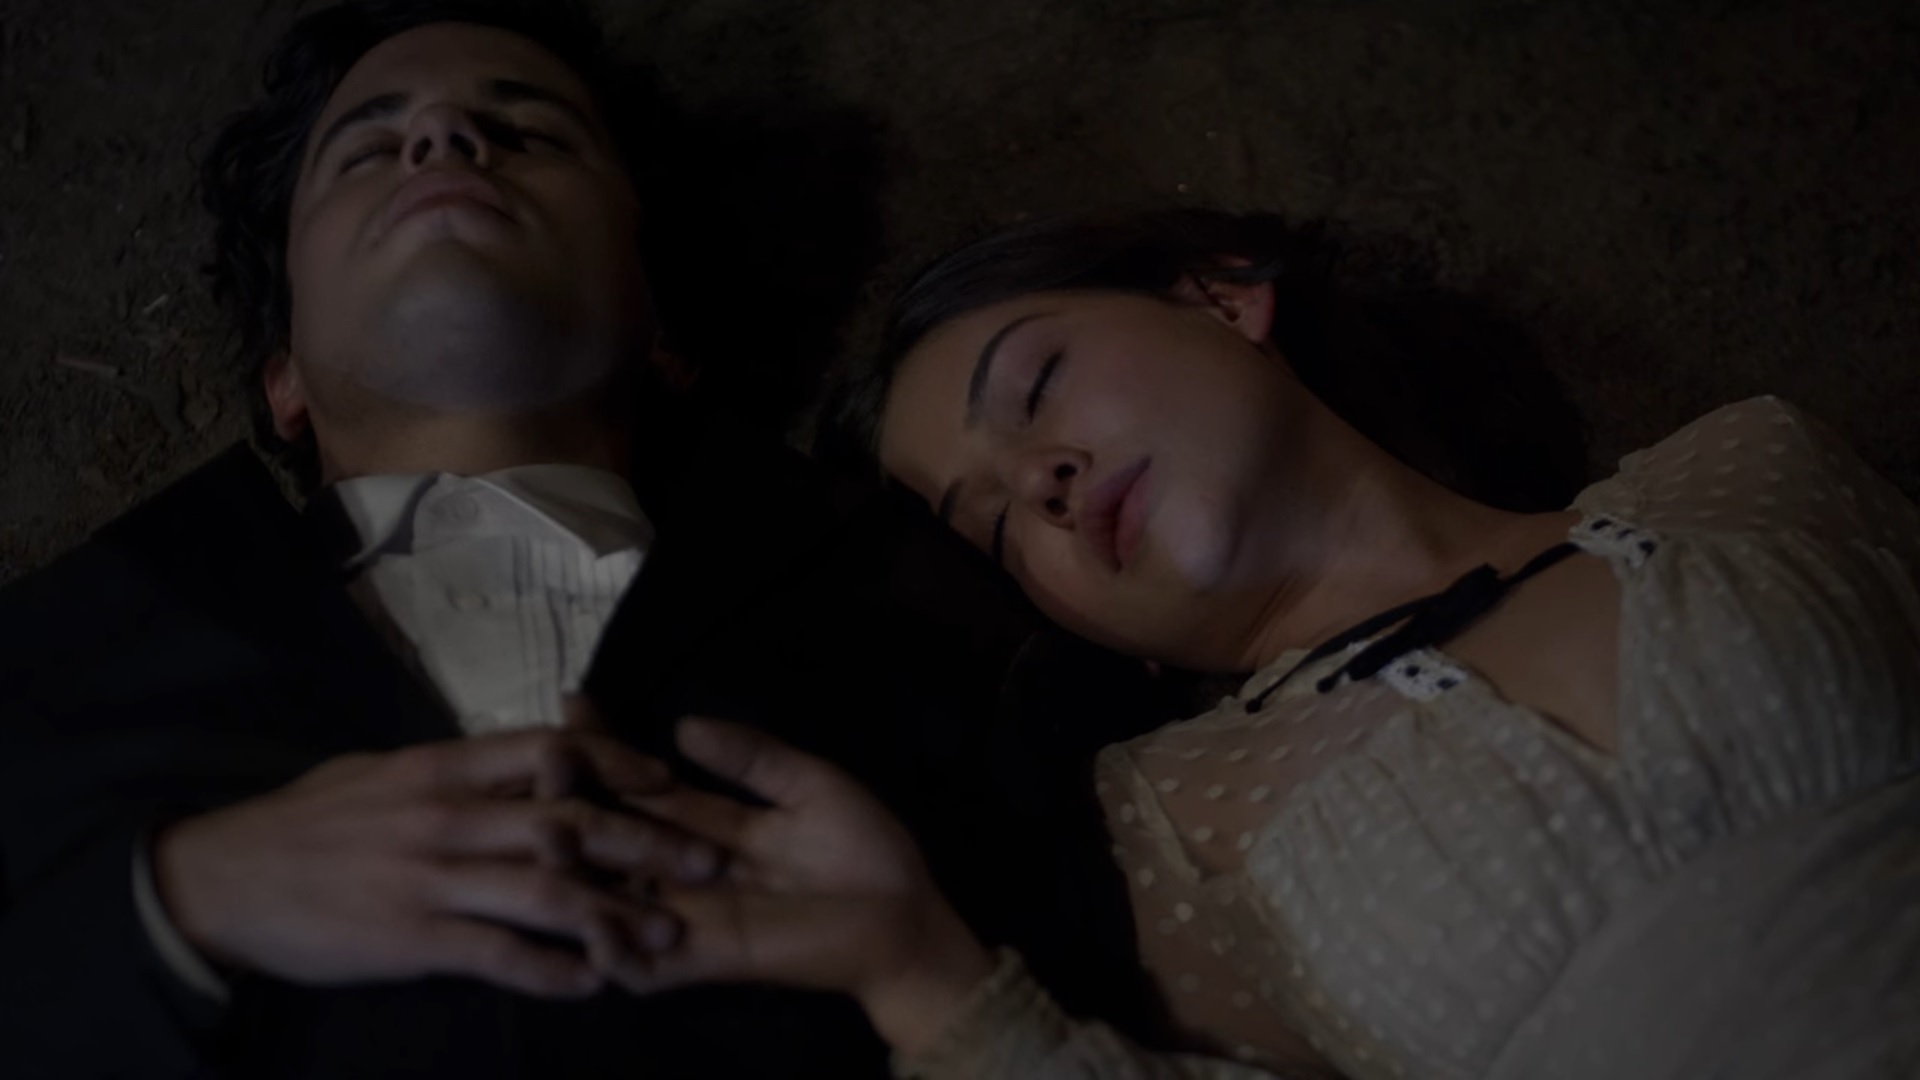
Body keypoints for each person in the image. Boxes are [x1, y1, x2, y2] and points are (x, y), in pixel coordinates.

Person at [0, 6, 1170, 1078]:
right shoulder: (48, 668)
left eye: (531, 134)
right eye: (366, 149)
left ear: (661, 323)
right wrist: (173, 909)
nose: (446, 137)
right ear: (284, 375)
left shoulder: (947, 626)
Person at [619, 210, 1920, 1080]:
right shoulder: (1164, 833)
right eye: (996, 527)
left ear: (1216, 296)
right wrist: (914, 970)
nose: (1042, 479)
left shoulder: (1747, 467)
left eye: (1033, 388)